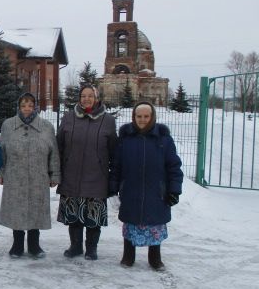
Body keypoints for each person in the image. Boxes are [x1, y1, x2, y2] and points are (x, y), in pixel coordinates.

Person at [110, 101, 183, 271]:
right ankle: (128, 255)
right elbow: (116, 165)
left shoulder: (164, 139)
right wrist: (114, 187)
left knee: (155, 223)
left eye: (146, 116)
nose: (142, 119)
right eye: (139, 116)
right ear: (133, 117)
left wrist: (174, 190)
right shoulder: (125, 139)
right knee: (130, 223)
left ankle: (155, 258)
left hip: (156, 190)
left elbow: (174, 166)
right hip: (130, 189)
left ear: (152, 117)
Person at [56, 85, 117, 260]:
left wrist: (112, 177)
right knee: (74, 215)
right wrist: (57, 170)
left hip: (96, 177)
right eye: (83, 96)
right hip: (71, 175)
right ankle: (75, 246)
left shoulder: (108, 120)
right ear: (79, 98)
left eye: (90, 96)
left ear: (96, 98)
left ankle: (91, 248)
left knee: (93, 217)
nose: (86, 99)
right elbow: (59, 145)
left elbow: (114, 151)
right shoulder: (68, 118)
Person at [0, 92, 60, 258]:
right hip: (14, 176)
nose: (27, 109)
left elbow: (54, 152)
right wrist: (1, 172)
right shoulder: (8, 125)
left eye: (30, 106)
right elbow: (1, 151)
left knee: (36, 209)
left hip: (38, 177)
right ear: (19, 107)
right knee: (16, 210)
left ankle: (34, 245)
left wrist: (54, 175)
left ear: (36, 107)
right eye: (23, 105)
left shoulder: (46, 126)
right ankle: (17, 245)